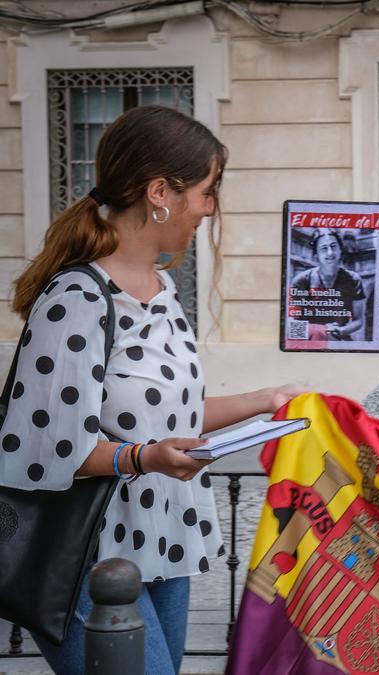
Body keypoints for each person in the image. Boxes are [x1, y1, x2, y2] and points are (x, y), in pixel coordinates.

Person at [0, 105, 302, 675]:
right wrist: (147, 459)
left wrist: (268, 401)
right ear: (160, 191)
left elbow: (167, 416)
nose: (211, 209)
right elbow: (44, 450)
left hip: (164, 543)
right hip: (88, 555)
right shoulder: (77, 298)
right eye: (208, 192)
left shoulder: (161, 288)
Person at [289, 228, 367, 341]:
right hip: (309, 342)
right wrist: (321, 331)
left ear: (340, 250)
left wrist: (341, 331)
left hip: (339, 338)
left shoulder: (353, 279)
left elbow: (358, 321)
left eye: (334, 246)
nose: (330, 252)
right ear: (316, 254)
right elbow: (292, 325)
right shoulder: (301, 281)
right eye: (324, 248)